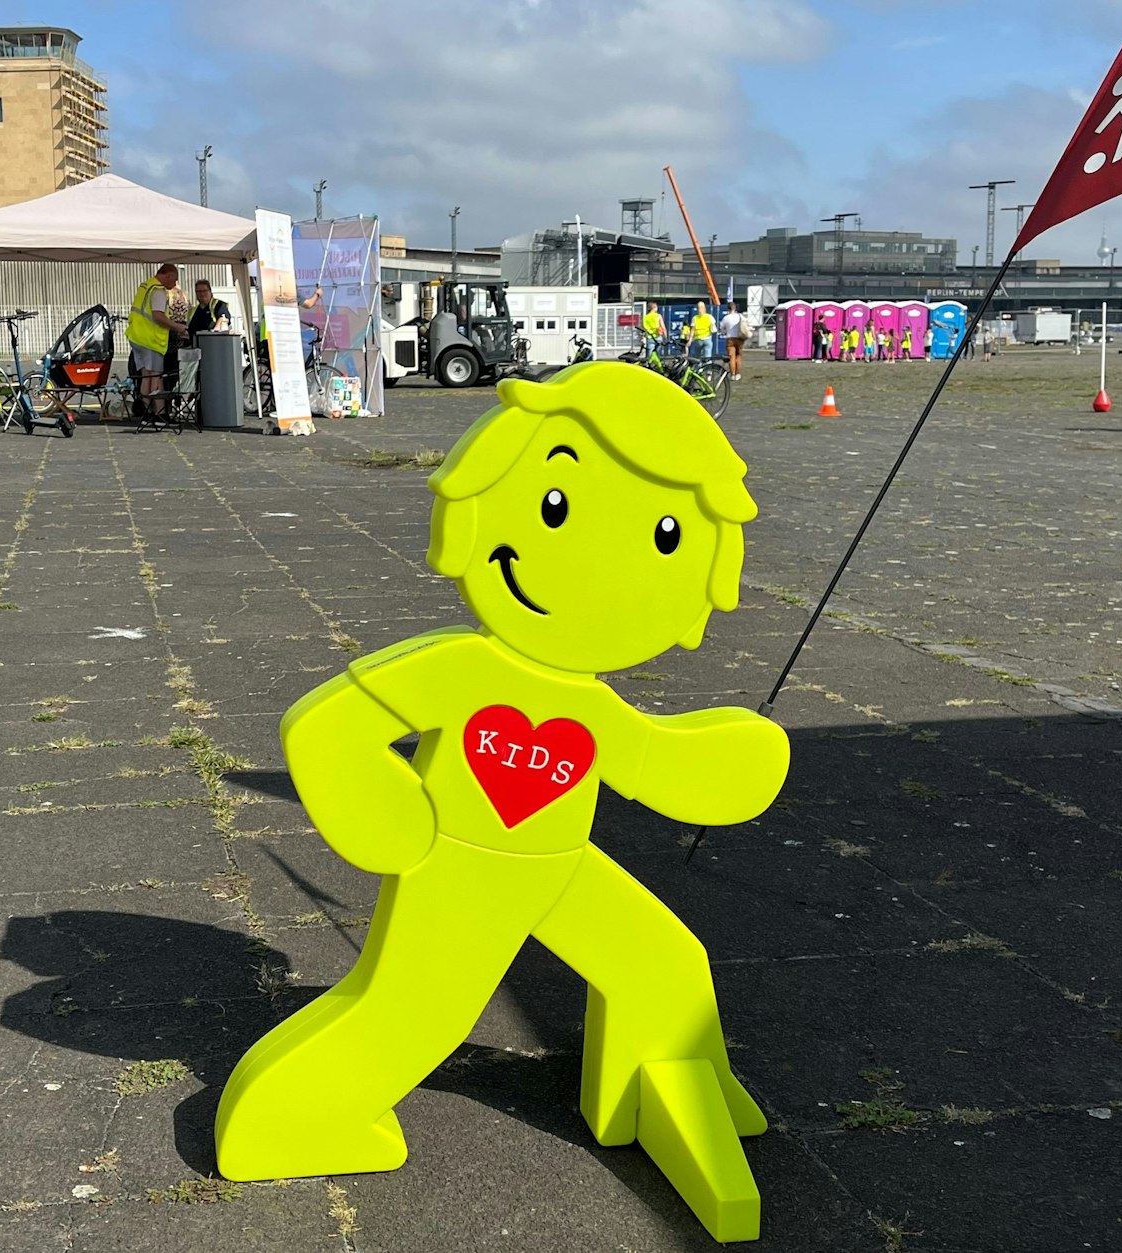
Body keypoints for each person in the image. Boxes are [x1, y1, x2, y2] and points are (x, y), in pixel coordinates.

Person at [212, 362, 788, 1245]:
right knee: (418, 1013)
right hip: (463, 867)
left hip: (551, 866)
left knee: (664, 967)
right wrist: (385, 814)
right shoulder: (468, 668)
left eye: (666, 535)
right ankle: (285, 1117)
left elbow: (643, 755)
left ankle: (652, 1090)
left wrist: (733, 766)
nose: (598, 562)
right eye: (553, 508)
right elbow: (329, 726)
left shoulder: (583, 697)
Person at [128, 262, 191, 408]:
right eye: (174, 279)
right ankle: (159, 413)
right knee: (156, 376)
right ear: (168, 275)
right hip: (151, 340)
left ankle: (144, 410)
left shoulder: (145, 286)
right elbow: (158, 315)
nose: (175, 283)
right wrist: (178, 327)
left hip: (137, 337)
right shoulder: (158, 290)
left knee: (146, 375)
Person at [186, 279, 232, 343]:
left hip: (213, 345)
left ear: (210, 291)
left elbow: (223, 318)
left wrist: (215, 331)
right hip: (195, 347)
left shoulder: (218, 305)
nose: (202, 294)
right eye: (199, 291)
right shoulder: (193, 310)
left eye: (205, 291)